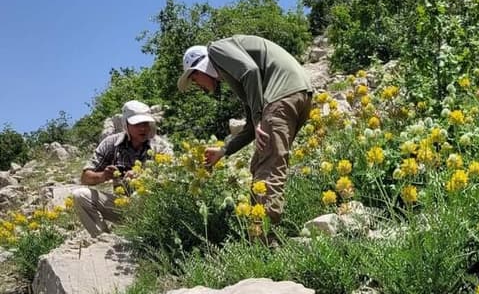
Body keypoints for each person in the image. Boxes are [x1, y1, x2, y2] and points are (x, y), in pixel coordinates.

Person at [178, 35, 313, 225]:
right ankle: (259, 230)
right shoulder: (234, 72)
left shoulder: (216, 51)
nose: (198, 85)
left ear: (199, 68)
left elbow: (250, 71)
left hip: (282, 96)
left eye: (194, 78)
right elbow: (251, 126)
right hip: (300, 95)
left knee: (268, 168)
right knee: (260, 163)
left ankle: (264, 241)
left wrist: (259, 119)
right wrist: (224, 151)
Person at [72, 100, 171, 237]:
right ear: (126, 125)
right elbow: (85, 177)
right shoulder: (111, 143)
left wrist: (143, 177)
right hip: (122, 206)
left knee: (139, 196)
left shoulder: (160, 147)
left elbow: (171, 175)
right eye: (137, 124)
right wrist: (104, 176)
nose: (143, 128)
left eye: (146, 124)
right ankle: (102, 239)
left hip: (154, 207)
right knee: (80, 195)